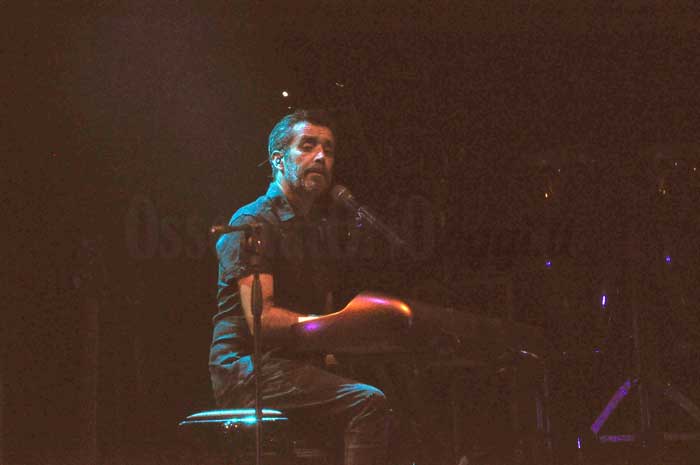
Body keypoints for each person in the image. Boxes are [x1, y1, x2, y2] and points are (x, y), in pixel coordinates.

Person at [209, 109, 390, 465]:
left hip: (294, 365)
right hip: (249, 369)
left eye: (329, 149)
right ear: (278, 159)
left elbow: (325, 314)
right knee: (367, 402)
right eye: (308, 146)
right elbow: (263, 321)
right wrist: (336, 328)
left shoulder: (317, 231)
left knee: (396, 389)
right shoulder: (253, 222)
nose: (321, 157)